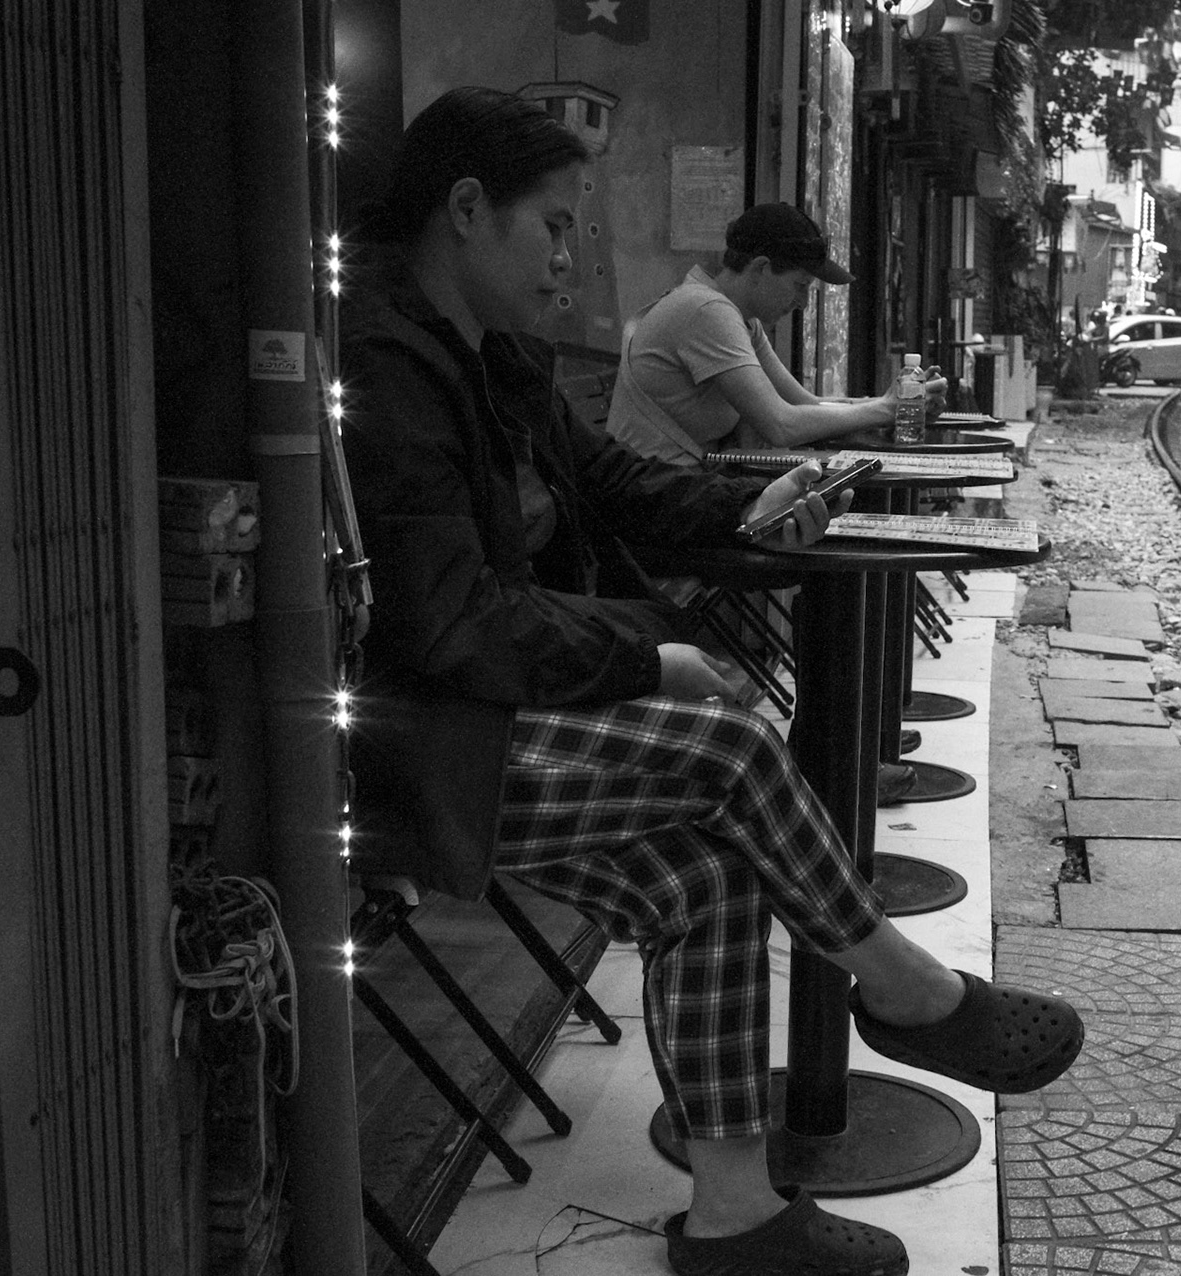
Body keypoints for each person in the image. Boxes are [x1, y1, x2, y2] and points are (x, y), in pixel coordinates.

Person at [340, 87, 1082, 1276]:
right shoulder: (381, 365)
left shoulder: (493, 352)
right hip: (413, 747)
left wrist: (751, 507)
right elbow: (449, 622)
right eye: (555, 225)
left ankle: (733, 1214)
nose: (572, 255)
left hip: (498, 712)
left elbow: (614, 483)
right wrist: (651, 655)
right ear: (466, 209)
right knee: (730, 746)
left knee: (704, 879)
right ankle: (903, 988)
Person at [608, 202, 943, 463]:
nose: (803, 303)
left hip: (672, 488)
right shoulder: (707, 312)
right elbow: (781, 425)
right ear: (761, 268)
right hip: (649, 498)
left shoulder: (741, 319)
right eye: (800, 286)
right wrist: (886, 409)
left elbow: (805, 404)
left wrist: (899, 403)